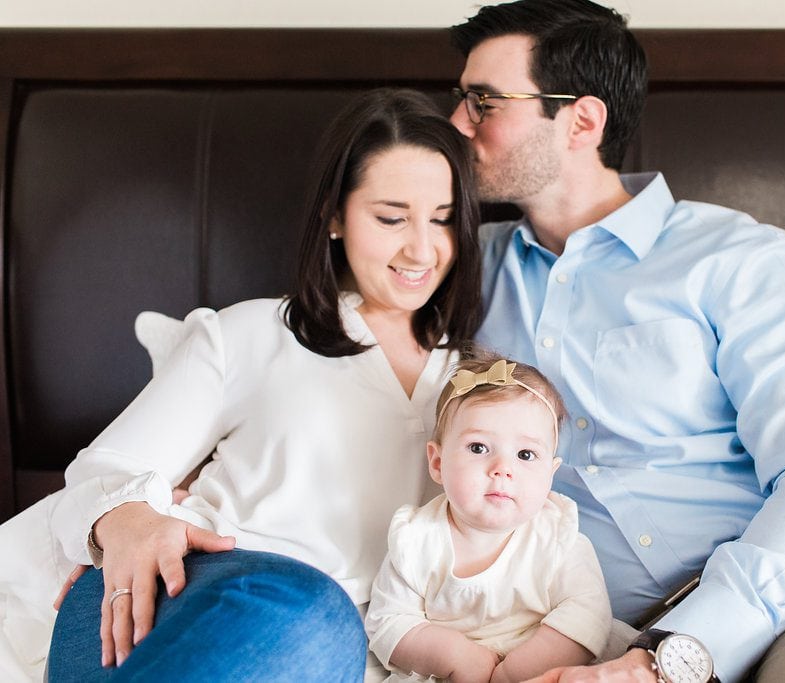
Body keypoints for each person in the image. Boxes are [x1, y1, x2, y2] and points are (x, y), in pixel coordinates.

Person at [446, 1, 785, 681]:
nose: (456, 123)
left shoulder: (735, 259)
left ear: (582, 121)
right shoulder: (463, 269)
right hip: (600, 632)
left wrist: (669, 655)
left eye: (483, 101)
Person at [44, 87, 483, 681]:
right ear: (334, 215)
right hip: (179, 605)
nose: (423, 249)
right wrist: (132, 522)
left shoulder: (474, 383)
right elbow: (102, 473)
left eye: (444, 219)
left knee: (330, 627)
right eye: (390, 218)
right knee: (315, 612)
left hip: (340, 647)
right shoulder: (253, 332)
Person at [365, 354, 612, 682]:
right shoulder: (416, 538)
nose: (502, 469)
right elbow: (388, 621)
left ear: (550, 474)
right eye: (479, 447)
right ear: (437, 463)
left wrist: (515, 672)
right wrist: (455, 657)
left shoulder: (556, 536)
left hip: (547, 666)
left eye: (525, 455)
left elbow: (588, 614)